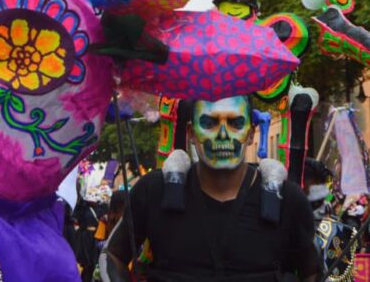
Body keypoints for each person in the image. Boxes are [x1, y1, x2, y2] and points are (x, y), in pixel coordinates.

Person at [103, 95, 321, 281]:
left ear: (251, 134)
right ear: (190, 132)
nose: (223, 135)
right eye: (209, 123)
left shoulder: (287, 200)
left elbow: (314, 271)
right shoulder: (153, 191)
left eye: (235, 123)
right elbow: (111, 256)